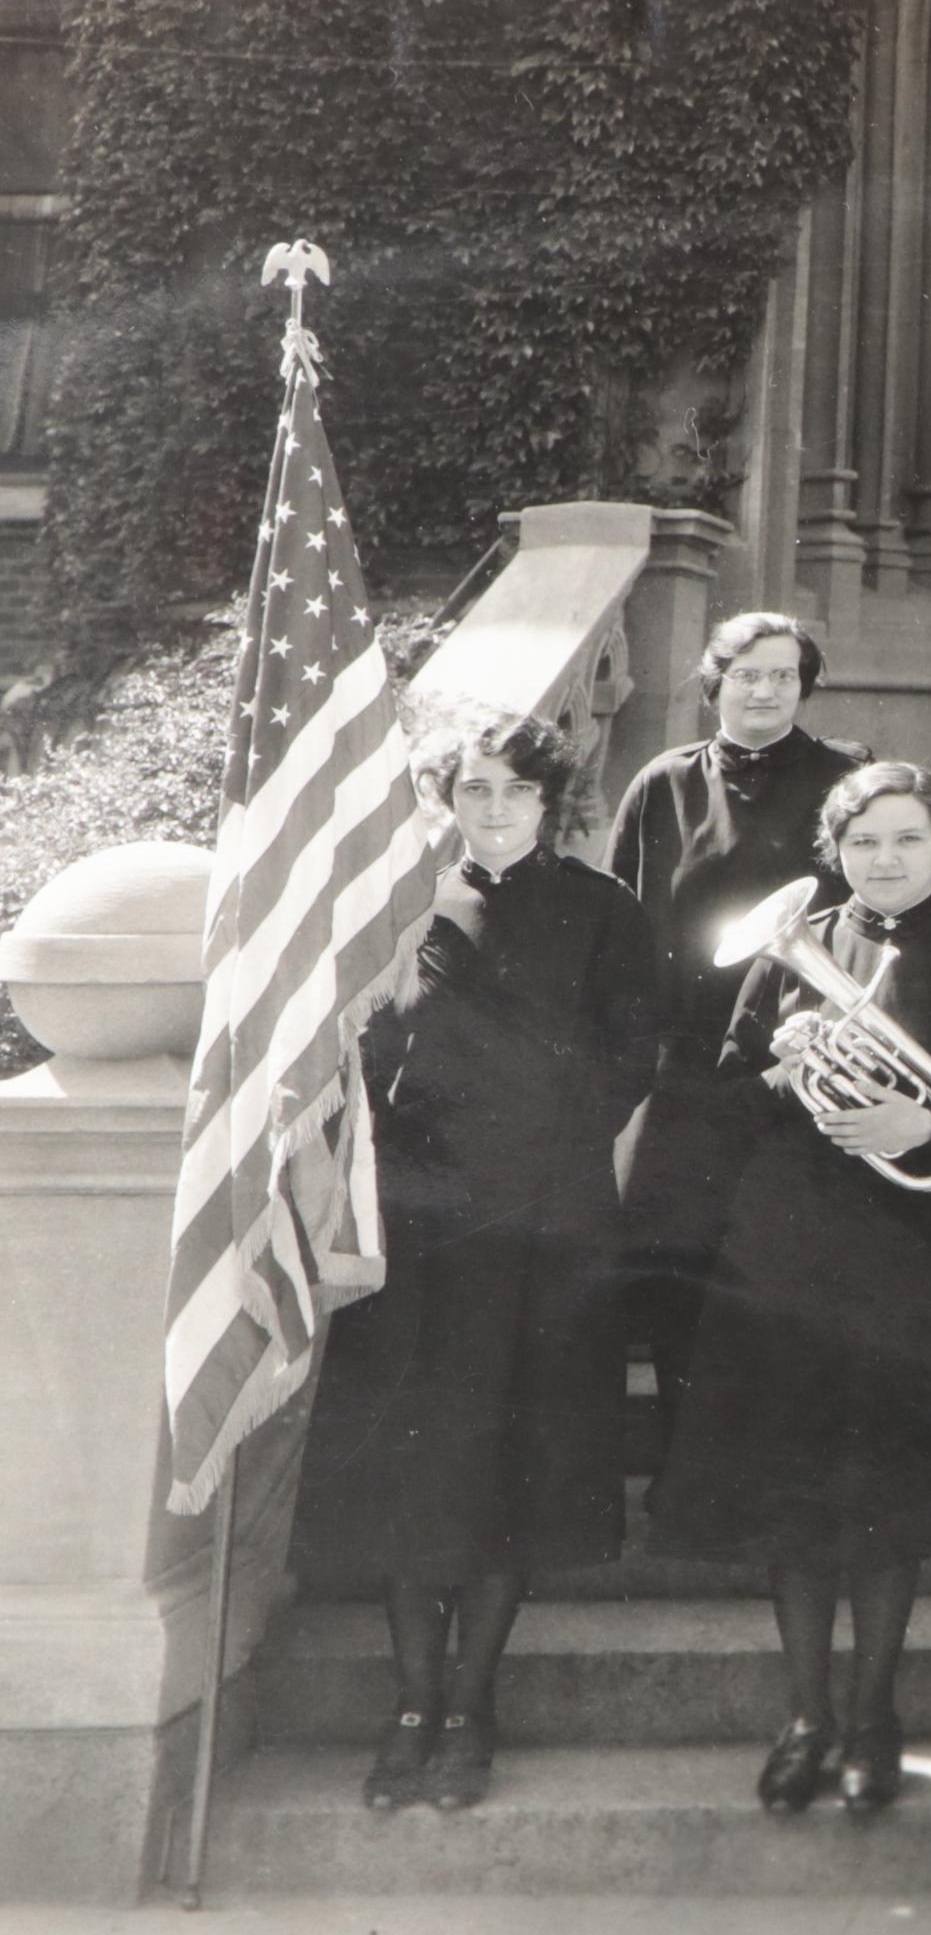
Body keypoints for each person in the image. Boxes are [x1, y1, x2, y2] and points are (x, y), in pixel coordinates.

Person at [644, 763, 931, 1812]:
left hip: (917, 1247)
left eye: (908, 839)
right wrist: (787, 1066)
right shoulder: (800, 947)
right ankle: (805, 1717)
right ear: (837, 849)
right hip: (792, 1243)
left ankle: (874, 1717)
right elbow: (726, 1086)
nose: (887, 858)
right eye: (866, 839)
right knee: (795, 1497)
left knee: (890, 1500)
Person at [292, 707, 659, 1811]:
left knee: (516, 1471)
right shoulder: (401, 909)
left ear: (552, 802)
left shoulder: (606, 912)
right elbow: (358, 1048)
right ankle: (412, 1704)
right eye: (474, 789)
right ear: (447, 800)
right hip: (418, 1235)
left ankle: (472, 1705)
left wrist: (529, 1152)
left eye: (514, 790)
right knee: (416, 1471)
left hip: (543, 1233)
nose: (493, 808)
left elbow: (631, 1057)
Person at [605, 612, 869, 1437]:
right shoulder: (665, 781)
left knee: (787, 1270)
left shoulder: (847, 777)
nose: (765, 690)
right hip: (688, 1065)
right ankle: (692, 1470)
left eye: (784, 675)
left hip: (801, 1059)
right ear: (714, 683)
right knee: (677, 1270)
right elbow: (623, 918)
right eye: (748, 674)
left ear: (805, 685)